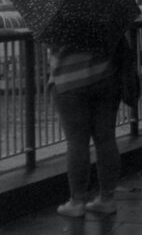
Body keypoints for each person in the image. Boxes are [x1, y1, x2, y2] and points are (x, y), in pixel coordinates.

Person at [50, 32, 132, 218]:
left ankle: (77, 201)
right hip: (106, 77)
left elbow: (48, 41)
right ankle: (107, 199)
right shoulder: (106, 8)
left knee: (77, 142)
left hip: (69, 81)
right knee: (106, 138)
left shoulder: (56, 12)